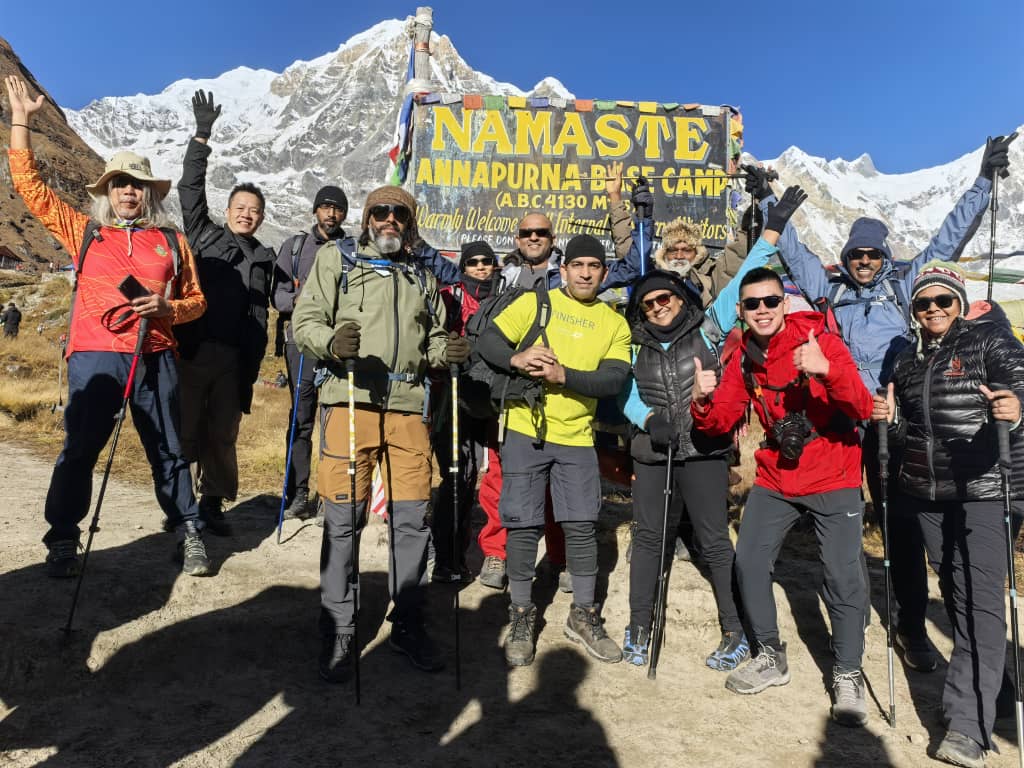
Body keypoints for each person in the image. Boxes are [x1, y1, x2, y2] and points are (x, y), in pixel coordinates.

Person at [744, 136, 1014, 670]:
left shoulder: (903, 285)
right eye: (856, 254)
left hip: (898, 422)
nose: (864, 261)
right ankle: (880, 617)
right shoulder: (833, 288)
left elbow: (948, 238)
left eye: (872, 255)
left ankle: (912, 628)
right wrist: (766, 203)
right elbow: (793, 252)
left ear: (885, 257)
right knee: (868, 523)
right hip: (849, 420)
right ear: (847, 258)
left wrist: (983, 181)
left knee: (902, 524)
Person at [4, 75, 211, 577]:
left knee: (168, 448)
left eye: (136, 185)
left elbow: (197, 302)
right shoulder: (85, 232)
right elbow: (30, 187)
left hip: (155, 355)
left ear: (149, 193)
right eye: (119, 184)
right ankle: (62, 538)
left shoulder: (173, 242)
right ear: (108, 191)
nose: (128, 192)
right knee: (80, 448)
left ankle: (187, 530)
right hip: (95, 354)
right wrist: (21, 120)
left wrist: (167, 309)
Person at [692, 193, 874, 726]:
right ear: (741, 311)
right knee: (749, 560)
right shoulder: (740, 355)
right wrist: (701, 400)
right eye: (752, 305)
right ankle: (769, 654)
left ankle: (847, 672)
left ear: (784, 301)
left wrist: (827, 371)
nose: (763, 310)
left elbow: (862, 407)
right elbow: (720, 422)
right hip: (777, 474)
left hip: (835, 471)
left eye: (771, 301)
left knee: (841, 576)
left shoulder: (818, 339)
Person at [417, 207, 646, 591]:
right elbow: (456, 285)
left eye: (541, 232)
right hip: (509, 393)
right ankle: (497, 554)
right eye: (527, 233)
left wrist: (625, 206)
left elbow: (634, 265)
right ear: (518, 239)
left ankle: (559, 557)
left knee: (558, 489)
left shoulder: (572, 275)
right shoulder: (501, 277)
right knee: (500, 479)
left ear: (553, 240)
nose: (534, 237)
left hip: (567, 406)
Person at [293, 185, 469, 682]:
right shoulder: (337, 260)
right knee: (344, 519)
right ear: (369, 217)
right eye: (381, 212)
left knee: (412, 521)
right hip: (350, 400)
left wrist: (446, 352)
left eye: (400, 214)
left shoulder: (421, 274)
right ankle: (338, 624)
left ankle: (408, 623)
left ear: (409, 224)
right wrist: (331, 342)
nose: (390, 220)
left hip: (408, 408)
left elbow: (431, 338)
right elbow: (305, 322)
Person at [872, 262, 1024, 767]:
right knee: (958, 593)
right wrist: (891, 420)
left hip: (984, 488)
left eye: (943, 300)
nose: (933, 309)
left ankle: (967, 727)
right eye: (924, 302)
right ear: (914, 310)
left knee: (980, 599)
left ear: (959, 303)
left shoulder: (989, 342)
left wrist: (1014, 409)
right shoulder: (906, 362)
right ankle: (995, 693)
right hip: (928, 494)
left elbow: (1019, 388)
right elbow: (909, 433)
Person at [619, 227, 774, 670]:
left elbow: (744, 277)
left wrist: (771, 231)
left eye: (664, 298)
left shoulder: (708, 326)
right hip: (655, 452)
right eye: (648, 303)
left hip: (704, 450)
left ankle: (735, 631)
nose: (658, 307)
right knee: (649, 539)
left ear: (679, 297)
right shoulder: (633, 343)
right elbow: (625, 395)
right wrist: (649, 420)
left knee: (714, 541)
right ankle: (638, 626)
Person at [476, 233, 632, 666]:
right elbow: (489, 341)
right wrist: (516, 358)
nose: (585, 273)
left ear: (604, 273)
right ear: (563, 270)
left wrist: (565, 376)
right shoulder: (535, 302)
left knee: (581, 525)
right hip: (526, 430)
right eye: (577, 265)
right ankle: (522, 613)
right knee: (523, 526)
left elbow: (613, 379)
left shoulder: (614, 323)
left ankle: (583, 614)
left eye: (594, 266)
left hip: (578, 437)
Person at [175, 90, 275, 536]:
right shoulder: (203, 234)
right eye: (240, 208)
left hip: (236, 360)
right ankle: (180, 503)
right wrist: (201, 137)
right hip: (193, 350)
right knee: (184, 428)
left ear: (261, 218)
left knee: (222, 432)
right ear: (228, 210)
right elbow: (189, 190)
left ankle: (212, 504)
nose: (246, 215)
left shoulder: (265, 259)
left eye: (254, 211)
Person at [272, 185, 354, 520]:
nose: (331, 214)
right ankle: (298, 494)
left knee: (335, 419)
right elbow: (277, 296)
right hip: (302, 342)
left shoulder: (353, 250)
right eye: (326, 207)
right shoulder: (295, 248)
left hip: (338, 345)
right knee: (302, 418)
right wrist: (302, 301)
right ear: (316, 210)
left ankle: (331, 494)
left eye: (338, 209)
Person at [428, 240, 499, 583]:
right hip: (452, 395)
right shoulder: (448, 297)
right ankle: (447, 557)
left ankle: (492, 554)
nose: (481, 267)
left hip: (493, 397)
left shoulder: (506, 298)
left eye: (487, 261)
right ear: (463, 267)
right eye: (473, 262)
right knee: (459, 474)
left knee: (497, 477)